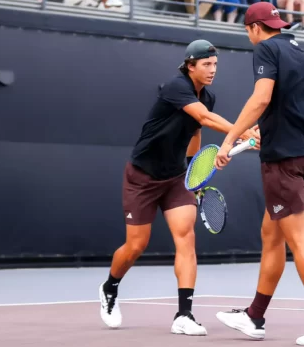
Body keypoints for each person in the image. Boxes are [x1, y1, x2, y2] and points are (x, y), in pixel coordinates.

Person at [98, 39, 260, 335]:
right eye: (206, 65)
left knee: (186, 238)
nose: (212, 70)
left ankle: (183, 314)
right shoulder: (176, 87)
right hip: (143, 176)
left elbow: (195, 131)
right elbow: (204, 118)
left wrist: (192, 172)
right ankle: (110, 286)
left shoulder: (207, 96)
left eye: (215, 65)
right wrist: (244, 130)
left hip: (175, 177)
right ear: (190, 66)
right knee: (136, 245)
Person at [212, 2, 304, 346]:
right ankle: (254, 316)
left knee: (300, 241)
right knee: (271, 236)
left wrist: (229, 139)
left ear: (254, 29)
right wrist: (263, 130)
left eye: (248, 32)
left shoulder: (265, 49)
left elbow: (261, 99)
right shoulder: (300, 52)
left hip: (283, 162)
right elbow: (287, 105)